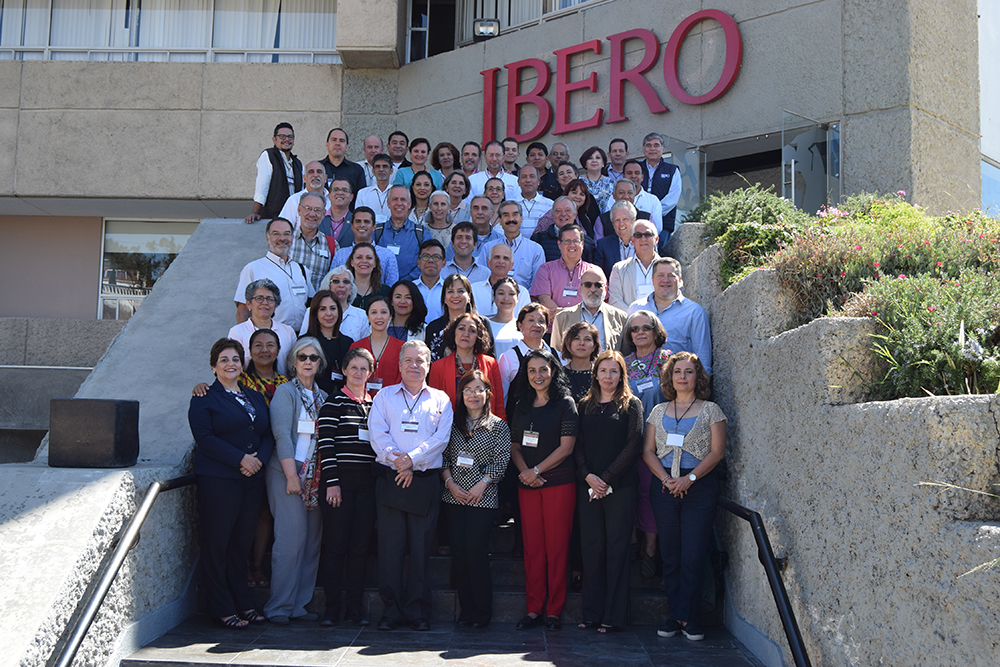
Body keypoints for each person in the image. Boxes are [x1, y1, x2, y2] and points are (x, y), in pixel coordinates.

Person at [368, 340, 454, 631]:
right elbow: (377, 433)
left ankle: (418, 611)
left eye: (420, 360)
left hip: (425, 483)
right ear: (400, 364)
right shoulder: (384, 396)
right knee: (390, 549)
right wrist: (399, 461)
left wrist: (411, 460)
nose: (414, 365)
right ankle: (391, 611)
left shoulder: (441, 399)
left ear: (428, 365)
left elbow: (441, 439)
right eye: (408, 360)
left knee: (420, 550)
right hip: (391, 479)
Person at [189, 338, 274, 629]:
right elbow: (205, 438)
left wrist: (259, 460)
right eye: (224, 360)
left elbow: (266, 434)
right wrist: (240, 459)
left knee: (241, 544)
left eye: (235, 359)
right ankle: (222, 608)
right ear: (214, 366)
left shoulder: (255, 397)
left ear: (242, 364)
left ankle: (244, 603)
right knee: (218, 545)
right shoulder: (204, 398)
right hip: (219, 480)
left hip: (251, 480)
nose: (230, 364)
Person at [644, 352, 726, 642]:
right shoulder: (658, 411)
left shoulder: (711, 410)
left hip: (699, 487)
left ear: (697, 377)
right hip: (664, 486)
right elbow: (648, 451)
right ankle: (674, 615)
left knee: (693, 553)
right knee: (670, 553)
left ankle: (691, 618)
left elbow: (717, 452)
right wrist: (666, 479)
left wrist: (689, 479)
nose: (682, 377)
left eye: (688, 372)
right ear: (670, 377)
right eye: (677, 371)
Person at [508, 350, 578, 631]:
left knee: (557, 548)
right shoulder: (521, 405)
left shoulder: (565, 403)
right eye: (532, 370)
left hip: (557, 484)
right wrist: (526, 472)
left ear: (554, 371)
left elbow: (567, 447)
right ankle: (534, 608)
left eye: (543, 370)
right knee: (533, 548)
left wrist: (535, 471)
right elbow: (514, 446)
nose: (538, 376)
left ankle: (554, 611)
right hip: (527, 485)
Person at [575, 351, 643, 634]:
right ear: (595, 374)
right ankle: (592, 613)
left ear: (621, 375)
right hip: (589, 488)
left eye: (614, 371)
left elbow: (633, 444)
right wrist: (588, 477)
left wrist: (605, 478)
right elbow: (576, 445)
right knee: (592, 550)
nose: (608, 376)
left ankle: (614, 616)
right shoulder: (584, 405)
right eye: (603, 370)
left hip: (621, 487)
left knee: (617, 550)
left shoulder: (632, 405)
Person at [440, 370, 511, 629]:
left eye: (479, 389)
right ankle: (466, 609)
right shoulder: (451, 424)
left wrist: (482, 484)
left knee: (476, 552)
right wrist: (450, 484)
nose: (473, 395)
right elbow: (442, 457)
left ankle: (482, 611)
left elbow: (501, 461)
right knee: (459, 553)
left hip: (483, 498)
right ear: (461, 394)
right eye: (468, 390)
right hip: (454, 497)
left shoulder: (498, 426)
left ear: (487, 394)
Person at [265, 337, 328, 624]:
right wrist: (292, 476)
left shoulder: (323, 397)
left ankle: (299, 606)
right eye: (302, 357)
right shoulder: (285, 392)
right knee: (290, 541)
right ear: (293, 362)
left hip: (316, 475)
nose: (308, 362)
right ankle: (279, 607)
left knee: (311, 542)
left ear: (320, 363)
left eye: (313, 357)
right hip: (287, 472)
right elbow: (281, 435)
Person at [316, 347, 378, 627]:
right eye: (353, 367)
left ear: (371, 373)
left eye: (364, 368)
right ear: (343, 370)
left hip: (367, 485)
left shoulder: (375, 405)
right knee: (336, 547)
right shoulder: (334, 402)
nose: (358, 373)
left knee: (359, 548)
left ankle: (354, 608)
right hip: (338, 483)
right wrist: (332, 483)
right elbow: (326, 444)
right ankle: (332, 609)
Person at [622, 309, 673, 579]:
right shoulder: (623, 364)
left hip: (661, 442)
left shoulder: (669, 360)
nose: (640, 332)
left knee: (651, 494)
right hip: (628, 440)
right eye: (635, 329)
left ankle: (651, 549)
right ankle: (632, 541)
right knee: (630, 492)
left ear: (656, 331)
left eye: (646, 327)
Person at [627, 257, 712, 375]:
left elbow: (703, 358)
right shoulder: (636, 308)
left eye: (671, 276)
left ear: (680, 280)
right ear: (652, 280)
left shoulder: (694, 312)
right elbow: (628, 347)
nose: (665, 280)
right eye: (660, 275)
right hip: (639, 379)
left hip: (678, 381)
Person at [234, 218, 313, 329]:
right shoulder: (253, 269)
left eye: (287, 234)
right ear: (267, 239)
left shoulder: (302, 270)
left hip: (301, 336)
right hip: (270, 336)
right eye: (276, 234)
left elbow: (312, 306)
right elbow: (242, 312)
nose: (282, 238)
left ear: (292, 238)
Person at [428, 314, 506, 418]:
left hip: (486, 426)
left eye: (472, 330)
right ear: (453, 333)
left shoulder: (491, 364)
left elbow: (499, 404)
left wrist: (501, 426)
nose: (466, 334)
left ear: (478, 336)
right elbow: (433, 407)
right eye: (461, 328)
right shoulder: (438, 367)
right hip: (450, 425)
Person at [530, 223, 599, 320]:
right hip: (554, 327)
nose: (572, 245)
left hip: (585, 327)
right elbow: (545, 301)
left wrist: (564, 315)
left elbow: (596, 305)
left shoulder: (595, 272)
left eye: (576, 241)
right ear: (559, 244)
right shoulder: (546, 269)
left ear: (582, 244)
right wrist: (575, 317)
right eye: (567, 241)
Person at [551, 266, 628, 353]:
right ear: (580, 289)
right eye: (588, 285)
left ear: (605, 289)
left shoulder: (621, 318)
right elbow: (556, 353)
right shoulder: (562, 318)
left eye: (598, 285)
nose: (593, 289)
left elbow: (625, 354)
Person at [229, 278, 298, 375]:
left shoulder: (288, 331)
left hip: (283, 384)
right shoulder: (237, 332)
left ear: (275, 305)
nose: (265, 303)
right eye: (259, 298)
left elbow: (294, 366)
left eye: (270, 299)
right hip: (248, 384)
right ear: (248, 304)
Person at [423, 273, 495, 361]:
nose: (455, 296)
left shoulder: (482, 323)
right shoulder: (433, 328)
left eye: (460, 291)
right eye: (450, 291)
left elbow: (491, 359)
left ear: (469, 296)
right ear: (444, 298)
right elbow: (428, 362)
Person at [497, 303, 557, 399]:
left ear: (546, 327)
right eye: (531, 320)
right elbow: (502, 396)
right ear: (520, 325)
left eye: (541, 321)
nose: (536, 325)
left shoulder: (558, 356)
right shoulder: (508, 358)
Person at [331, 206, 400, 286]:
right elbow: (332, 284)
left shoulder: (387, 255)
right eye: (358, 221)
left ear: (374, 227)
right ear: (352, 226)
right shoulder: (340, 254)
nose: (362, 225)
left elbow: (392, 287)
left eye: (366, 221)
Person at [483, 200, 546, 289]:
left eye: (515, 215)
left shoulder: (535, 250)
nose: (511, 219)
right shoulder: (488, 248)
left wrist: (523, 296)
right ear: (500, 220)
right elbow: (482, 279)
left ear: (521, 219)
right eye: (506, 215)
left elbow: (537, 284)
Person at [246, 122, 301, 223]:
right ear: (274, 140)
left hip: (293, 218)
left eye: (290, 137)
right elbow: (262, 186)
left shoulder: (298, 164)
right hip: (272, 218)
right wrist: (255, 212)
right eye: (282, 136)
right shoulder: (268, 155)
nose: (287, 139)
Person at [304, 289, 355, 396]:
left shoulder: (349, 343)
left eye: (333, 308)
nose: (328, 313)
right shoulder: (305, 343)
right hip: (313, 399)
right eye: (323, 309)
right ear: (315, 313)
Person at [349, 295, 403, 396]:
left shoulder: (401, 347)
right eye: (374, 312)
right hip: (361, 401)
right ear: (368, 317)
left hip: (392, 401)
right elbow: (350, 379)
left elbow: (402, 379)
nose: (379, 317)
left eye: (384, 312)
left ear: (390, 316)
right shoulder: (356, 347)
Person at [374, 185, 423, 281]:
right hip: (381, 286)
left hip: (411, 286)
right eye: (395, 199)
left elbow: (425, 262)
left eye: (403, 199)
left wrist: (404, 284)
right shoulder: (376, 231)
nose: (399, 203)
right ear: (388, 204)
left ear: (409, 204)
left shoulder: (421, 233)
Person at [609, 219, 660, 310]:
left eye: (648, 234)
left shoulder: (669, 269)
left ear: (656, 239)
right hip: (629, 318)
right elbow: (615, 301)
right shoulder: (619, 269)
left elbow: (674, 298)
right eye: (638, 235)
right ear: (632, 240)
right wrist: (635, 316)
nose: (643, 239)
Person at [309, 267, 371, 342]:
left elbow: (363, 345)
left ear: (351, 289)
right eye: (336, 281)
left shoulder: (361, 315)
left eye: (346, 281)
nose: (341, 285)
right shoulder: (311, 310)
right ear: (328, 286)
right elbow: (303, 342)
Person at [640, 133, 682, 239]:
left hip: (663, 223)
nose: (652, 148)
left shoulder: (672, 170)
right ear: (644, 149)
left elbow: (672, 198)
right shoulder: (636, 168)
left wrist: (654, 213)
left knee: (660, 248)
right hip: (637, 221)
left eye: (656, 145)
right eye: (648, 145)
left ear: (663, 149)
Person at [289, 192, 334, 292]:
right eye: (308, 208)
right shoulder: (286, 240)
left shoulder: (331, 245)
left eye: (317, 210)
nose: (312, 214)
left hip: (316, 301)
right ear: (299, 210)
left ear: (323, 214)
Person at [472, 242, 530, 318]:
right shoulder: (474, 289)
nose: (501, 261)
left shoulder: (522, 293)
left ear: (511, 265)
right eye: (497, 257)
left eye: (506, 258)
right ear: (489, 262)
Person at [531, 197, 596, 263]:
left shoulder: (587, 243)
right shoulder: (538, 240)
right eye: (558, 211)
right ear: (552, 215)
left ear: (575, 214)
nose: (563, 214)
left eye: (568, 210)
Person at [595, 197, 645, 279]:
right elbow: (597, 276)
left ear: (633, 220)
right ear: (613, 224)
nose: (621, 224)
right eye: (617, 220)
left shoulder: (645, 242)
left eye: (625, 219)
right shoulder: (603, 245)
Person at [320, 128, 366, 205]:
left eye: (341, 141)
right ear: (327, 144)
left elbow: (361, 199)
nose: (337, 143)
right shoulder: (317, 169)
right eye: (334, 140)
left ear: (347, 147)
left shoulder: (357, 170)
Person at [279, 161, 330, 229]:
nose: (315, 175)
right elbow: (282, 228)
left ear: (325, 178)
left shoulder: (333, 201)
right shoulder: (294, 200)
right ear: (304, 178)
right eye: (311, 172)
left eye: (319, 172)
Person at [622, 159, 665, 237]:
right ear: (623, 176)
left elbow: (657, 228)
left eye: (637, 173)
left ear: (642, 177)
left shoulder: (653, 200)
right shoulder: (613, 198)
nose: (633, 176)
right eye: (629, 173)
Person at [560, 321, 600, 402]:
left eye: (587, 339)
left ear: (594, 346)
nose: (581, 343)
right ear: (568, 344)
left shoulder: (600, 374)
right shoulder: (559, 374)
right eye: (576, 338)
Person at [487, 278, 525, 358]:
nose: (506, 298)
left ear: (517, 298)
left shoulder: (524, 326)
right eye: (501, 293)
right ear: (494, 297)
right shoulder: (485, 325)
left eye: (511, 294)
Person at [346, 242, 390, 308]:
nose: (364, 261)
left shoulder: (385, 291)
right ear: (352, 262)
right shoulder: (344, 289)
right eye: (359, 257)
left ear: (375, 263)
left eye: (369, 258)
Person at [514, 164, 552, 238]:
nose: (528, 180)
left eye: (532, 176)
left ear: (538, 182)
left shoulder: (550, 205)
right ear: (518, 182)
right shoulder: (509, 204)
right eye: (524, 177)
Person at [415, 239, 447, 323]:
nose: (430, 260)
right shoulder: (410, 288)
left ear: (444, 263)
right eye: (426, 256)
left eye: (436, 257)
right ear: (418, 262)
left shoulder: (449, 290)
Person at [318, 178, 355, 248]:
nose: (340, 193)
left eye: (345, 190)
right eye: (335, 190)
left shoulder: (356, 221)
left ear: (351, 197)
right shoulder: (318, 218)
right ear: (329, 196)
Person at [355, 153, 394, 221]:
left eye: (385, 166)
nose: (381, 169)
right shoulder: (363, 193)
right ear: (373, 171)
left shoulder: (398, 192)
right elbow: (359, 216)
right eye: (377, 166)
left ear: (391, 171)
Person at [579, 146, 616, 213]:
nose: (594, 161)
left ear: (603, 163)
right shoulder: (578, 181)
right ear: (585, 163)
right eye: (590, 158)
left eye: (598, 158)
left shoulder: (611, 182)